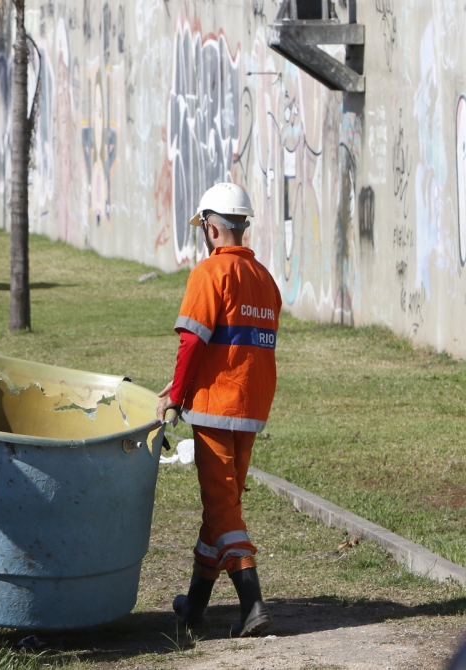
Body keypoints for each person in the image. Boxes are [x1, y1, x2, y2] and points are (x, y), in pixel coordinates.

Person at [157, 182, 281, 638]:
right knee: (222, 506)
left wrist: (175, 396)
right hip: (251, 406)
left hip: (214, 406)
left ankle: (252, 604)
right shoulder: (265, 279)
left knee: (224, 508)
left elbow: (192, 343)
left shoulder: (209, 273)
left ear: (211, 229)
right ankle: (194, 607)